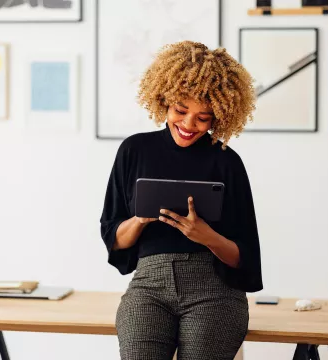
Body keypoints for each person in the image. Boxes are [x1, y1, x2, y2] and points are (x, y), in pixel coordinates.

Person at [100, 41, 263, 360]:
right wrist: (141, 219)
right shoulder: (134, 151)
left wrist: (207, 237)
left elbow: (244, 257)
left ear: (219, 115)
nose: (189, 125)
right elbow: (114, 240)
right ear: (164, 100)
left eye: (203, 118)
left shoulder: (227, 162)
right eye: (181, 110)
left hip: (214, 290)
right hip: (148, 287)